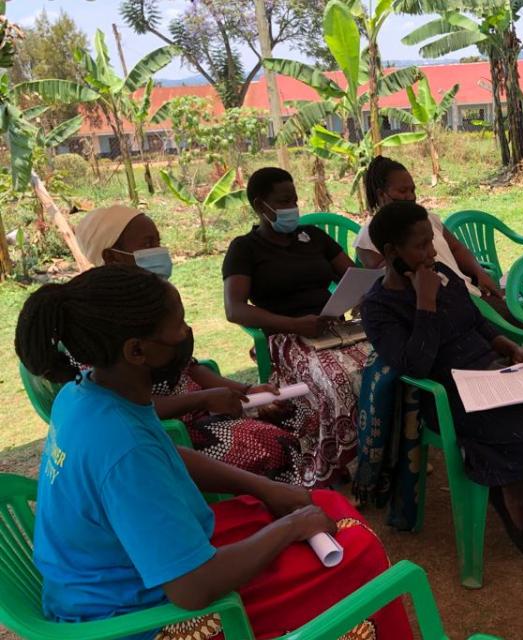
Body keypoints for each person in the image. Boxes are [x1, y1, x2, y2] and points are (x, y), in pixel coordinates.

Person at [15, 265, 412, 640]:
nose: (186, 333)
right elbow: (193, 589)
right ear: (136, 351)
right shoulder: (122, 449)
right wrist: (290, 528)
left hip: (123, 571)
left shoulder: (84, 394)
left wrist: (264, 488)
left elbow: (166, 455)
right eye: (178, 325)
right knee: (357, 551)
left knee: (320, 502)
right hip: (137, 616)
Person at [360, 201, 523, 557]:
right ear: (390, 252)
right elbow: (414, 367)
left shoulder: (442, 272)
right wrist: (424, 304)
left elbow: (474, 321)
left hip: (496, 373)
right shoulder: (379, 307)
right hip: (451, 394)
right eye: (420, 246)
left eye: (431, 242)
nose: (431, 253)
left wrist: (506, 344)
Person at [75, 205, 301, 483]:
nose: (159, 251)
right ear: (111, 257)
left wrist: (246, 390)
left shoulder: (154, 299)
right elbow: (122, 408)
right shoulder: (96, 322)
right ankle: (279, 512)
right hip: (171, 431)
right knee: (278, 446)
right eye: (148, 244)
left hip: (204, 409)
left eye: (158, 241)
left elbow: (190, 368)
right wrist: (203, 399)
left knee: (297, 413)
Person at [223, 168, 371, 488]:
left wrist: (354, 296)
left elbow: (351, 275)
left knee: (381, 365)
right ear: (261, 206)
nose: (292, 207)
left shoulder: (313, 237)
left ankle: (382, 449)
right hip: (286, 337)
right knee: (338, 378)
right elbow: (235, 309)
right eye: (283, 201)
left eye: (294, 199)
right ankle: (351, 460)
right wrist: (293, 324)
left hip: (334, 328)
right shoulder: (245, 249)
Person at [355, 155, 518, 324]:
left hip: (463, 293)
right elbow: (389, 282)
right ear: (382, 194)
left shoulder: (427, 219)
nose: (411, 197)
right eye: (403, 191)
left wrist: (480, 273)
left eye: (413, 190)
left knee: (511, 317)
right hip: (433, 306)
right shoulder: (369, 237)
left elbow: (456, 248)